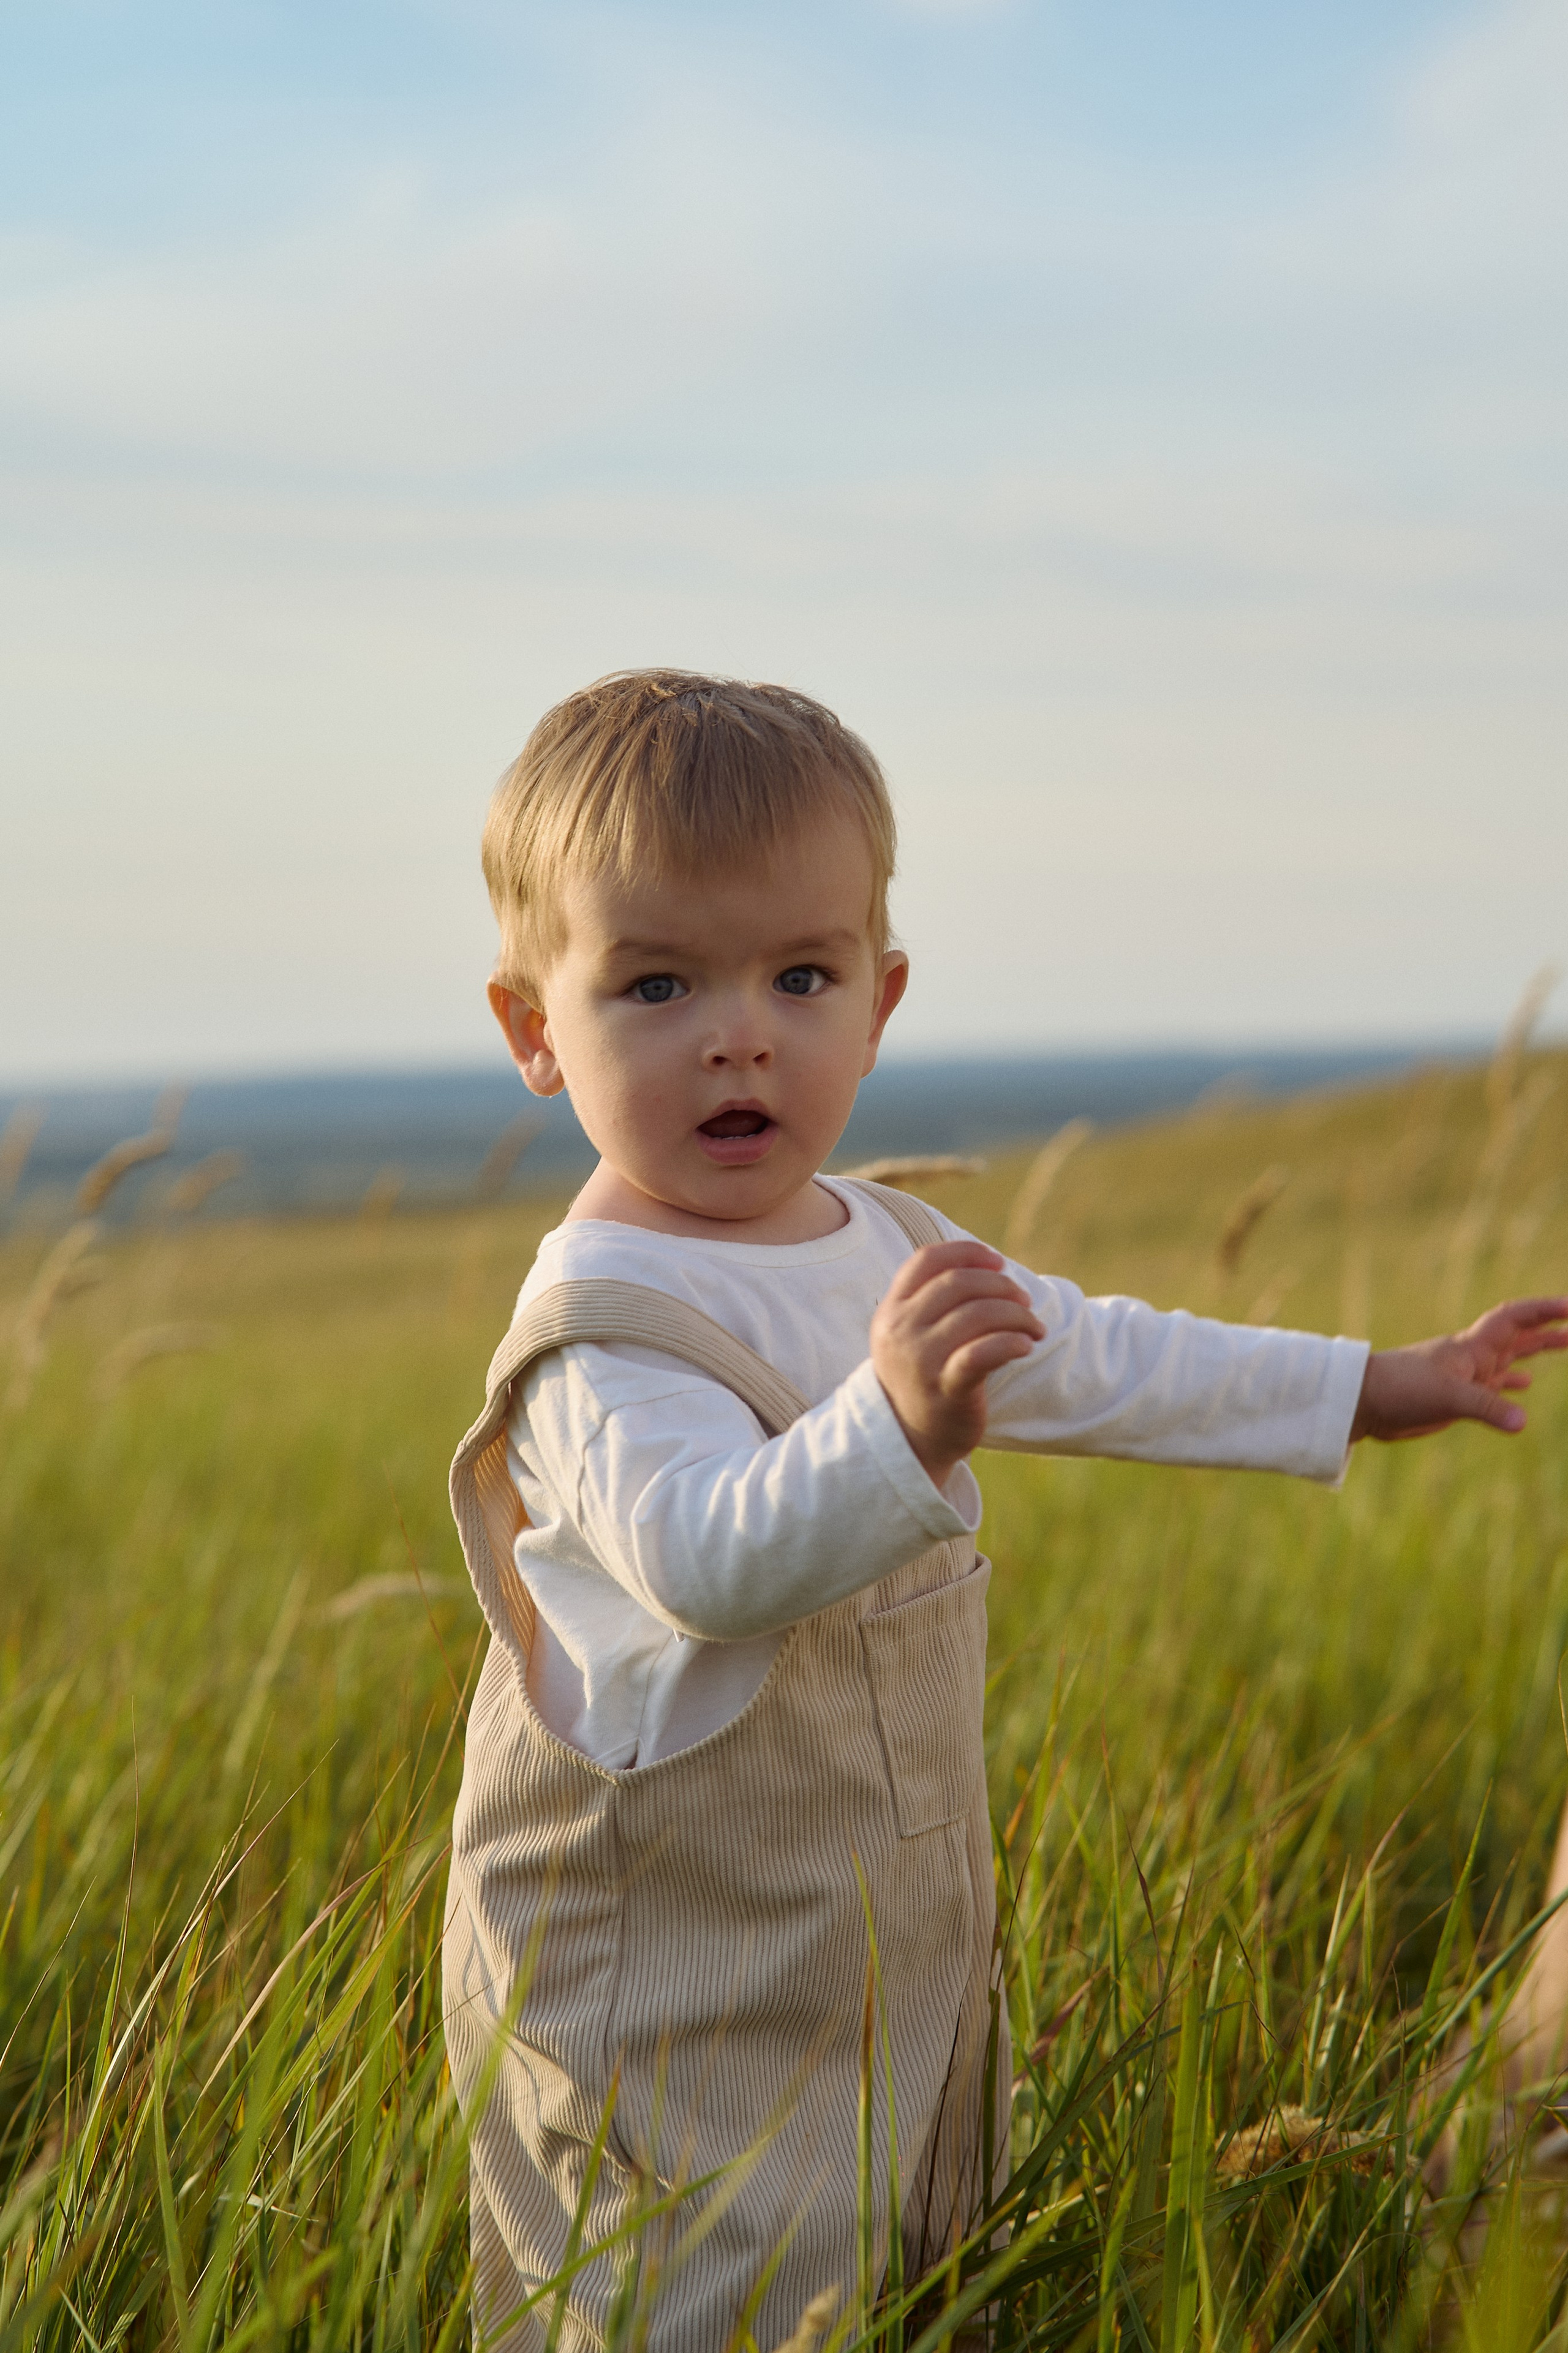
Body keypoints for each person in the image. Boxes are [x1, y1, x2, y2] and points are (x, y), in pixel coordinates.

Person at [441, 669, 1568, 2352]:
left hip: (875, 1911)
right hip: (659, 1959)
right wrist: (894, 1423)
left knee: (902, 2223)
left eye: (799, 974)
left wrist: (1373, 1382)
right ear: (537, 1025)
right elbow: (707, 1561)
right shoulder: (605, 1326)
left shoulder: (875, 1242)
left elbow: (1108, 1358)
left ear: (879, 1001)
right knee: (684, 2274)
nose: (740, 1029)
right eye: (659, 980)